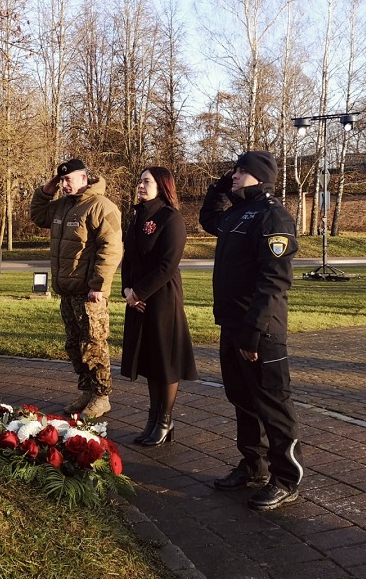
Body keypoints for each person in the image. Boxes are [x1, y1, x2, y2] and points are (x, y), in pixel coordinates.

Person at [199, 150, 304, 511]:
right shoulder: (237, 213)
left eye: (241, 171)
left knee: (273, 404)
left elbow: (274, 281)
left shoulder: (272, 216)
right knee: (242, 399)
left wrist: (253, 331)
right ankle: (253, 466)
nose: (234, 175)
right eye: (234, 170)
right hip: (232, 325)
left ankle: (286, 478)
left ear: (260, 177)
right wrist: (218, 188)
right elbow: (208, 219)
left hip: (260, 330)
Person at [29, 159, 122, 419]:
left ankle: (101, 396)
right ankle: (86, 391)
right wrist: (46, 191)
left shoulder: (101, 206)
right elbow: (38, 216)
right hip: (67, 291)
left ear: (84, 178)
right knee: (73, 345)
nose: (64, 185)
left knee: (94, 345)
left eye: (68, 179)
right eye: (61, 180)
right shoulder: (62, 205)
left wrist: (99, 285)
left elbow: (111, 249)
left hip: (89, 293)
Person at [120, 167, 197, 447]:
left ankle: (165, 421)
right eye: (139, 181)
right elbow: (128, 258)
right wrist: (127, 290)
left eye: (147, 181)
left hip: (162, 298)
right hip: (137, 299)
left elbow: (168, 264)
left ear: (162, 185)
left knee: (165, 361)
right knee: (150, 360)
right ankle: (153, 420)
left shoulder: (170, 218)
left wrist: (140, 292)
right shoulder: (137, 216)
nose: (140, 186)